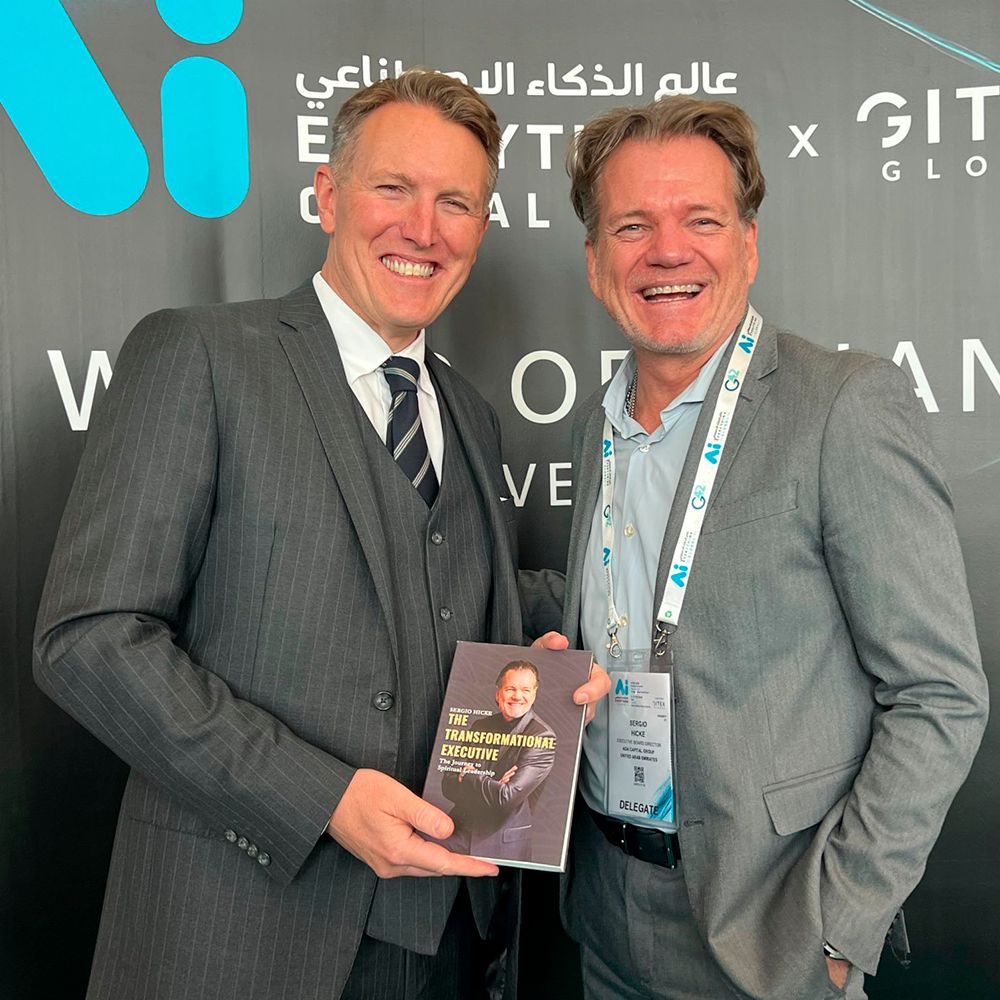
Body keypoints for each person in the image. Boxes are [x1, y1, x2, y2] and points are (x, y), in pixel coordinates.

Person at [33, 70, 607, 1000]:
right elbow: (88, 639)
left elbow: (443, 605)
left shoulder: (470, 415)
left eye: (456, 202)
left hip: (454, 945)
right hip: (239, 943)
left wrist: (532, 659)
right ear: (328, 195)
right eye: (394, 188)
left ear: (481, 226)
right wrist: (322, 800)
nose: (423, 228)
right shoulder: (199, 355)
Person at [519, 96, 988, 1000]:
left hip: (771, 932)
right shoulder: (597, 425)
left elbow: (940, 693)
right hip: (605, 910)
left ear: (748, 243)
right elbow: (636, 613)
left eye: (701, 220)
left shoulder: (842, 406)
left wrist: (837, 926)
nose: (668, 251)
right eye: (632, 225)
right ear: (594, 261)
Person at [441, 660, 557, 862]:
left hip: (500, 844)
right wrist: (494, 784)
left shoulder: (542, 737)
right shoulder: (480, 726)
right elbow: (447, 784)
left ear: (534, 695)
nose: (517, 696)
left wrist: (467, 775)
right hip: (457, 833)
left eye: (525, 690)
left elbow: (505, 798)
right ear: (498, 693)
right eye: (510, 689)